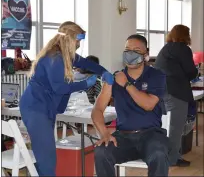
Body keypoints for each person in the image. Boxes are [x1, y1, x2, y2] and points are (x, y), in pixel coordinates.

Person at [19, 21, 114, 176]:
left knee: (45, 155)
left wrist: (104, 71)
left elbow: (86, 63)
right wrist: (85, 83)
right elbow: (60, 88)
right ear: (69, 39)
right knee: (47, 160)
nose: (79, 45)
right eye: (78, 41)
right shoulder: (54, 58)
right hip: (36, 108)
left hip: (44, 107)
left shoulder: (65, 55)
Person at [92, 34, 169, 177]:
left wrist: (127, 84)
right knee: (101, 152)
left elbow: (148, 104)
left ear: (146, 54)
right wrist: (104, 133)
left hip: (151, 135)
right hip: (123, 137)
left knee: (159, 154)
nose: (130, 54)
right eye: (127, 49)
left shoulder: (156, 75)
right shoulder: (114, 78)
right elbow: (97, 109)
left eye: (136, 50)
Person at [155, 24, 198, 167]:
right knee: (176, 127)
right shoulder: (183, 48)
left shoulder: (165, 48)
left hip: (161, 91)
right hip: (177, 91)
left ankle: (163, 155)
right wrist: (194, 74)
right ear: (185, 35)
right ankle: (172, 159)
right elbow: (191, 71)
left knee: (166, 125)